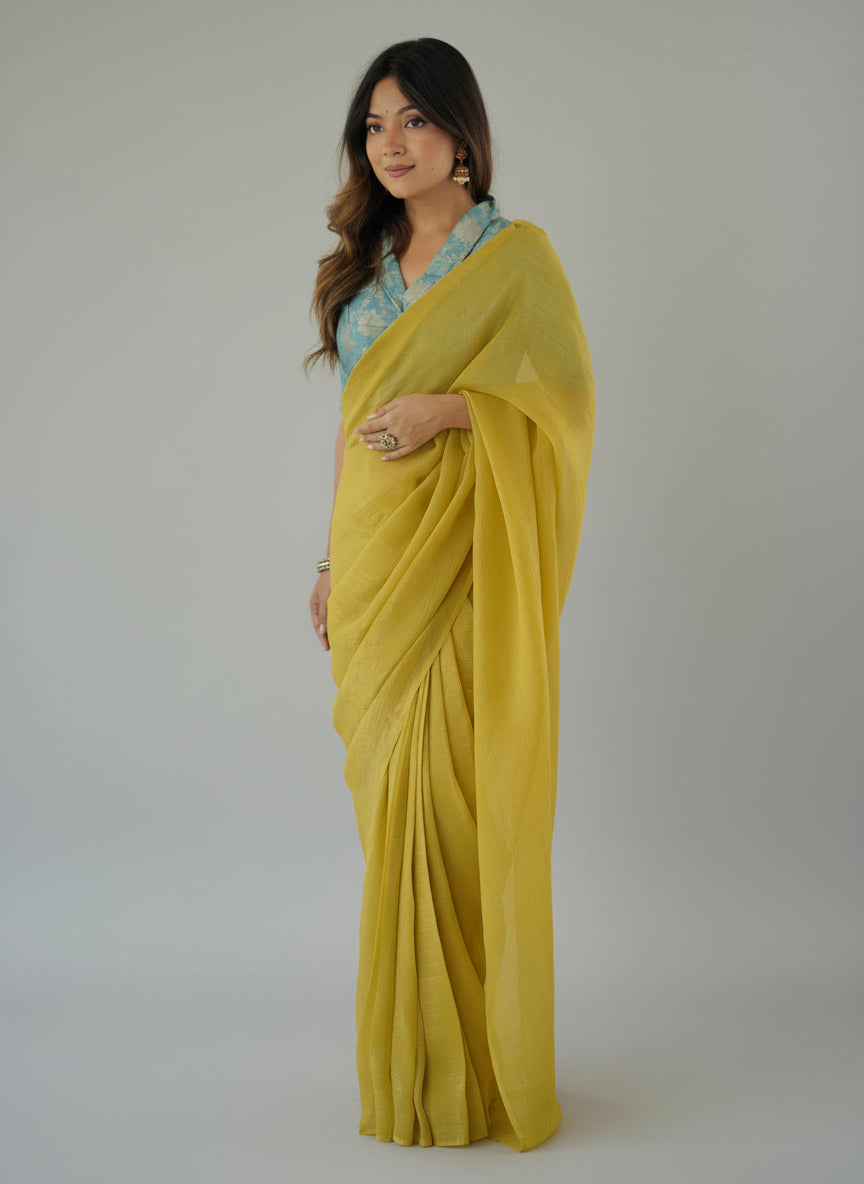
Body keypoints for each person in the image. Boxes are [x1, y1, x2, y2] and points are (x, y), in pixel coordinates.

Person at [306, 37, 595, 1152]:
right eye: (374, 126)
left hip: (470, 563)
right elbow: (345, 436)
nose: (391, 145)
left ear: (462, 135)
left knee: (458, 811)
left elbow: (561, 408)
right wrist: (329, 563)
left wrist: (451, 411)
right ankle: (416, 1065)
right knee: (394, 817)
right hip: (379, 570)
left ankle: (474, 1064)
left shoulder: (515, 259)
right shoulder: (361, 271)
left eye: (413, 122)